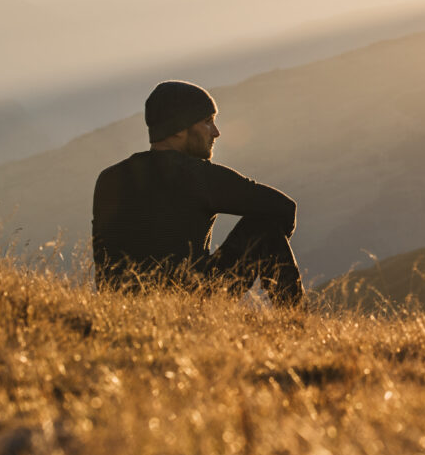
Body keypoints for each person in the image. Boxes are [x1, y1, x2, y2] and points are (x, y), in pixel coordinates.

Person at [92, 80, 303, 304]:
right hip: (192, 304)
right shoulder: (196, 176)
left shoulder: (109, 179)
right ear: (179, 130)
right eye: (207, 122)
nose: (216, 132)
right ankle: (297, 323)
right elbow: (283, 207)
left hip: (121, 309)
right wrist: (273, 247)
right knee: (265, 226)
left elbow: (104, 265)